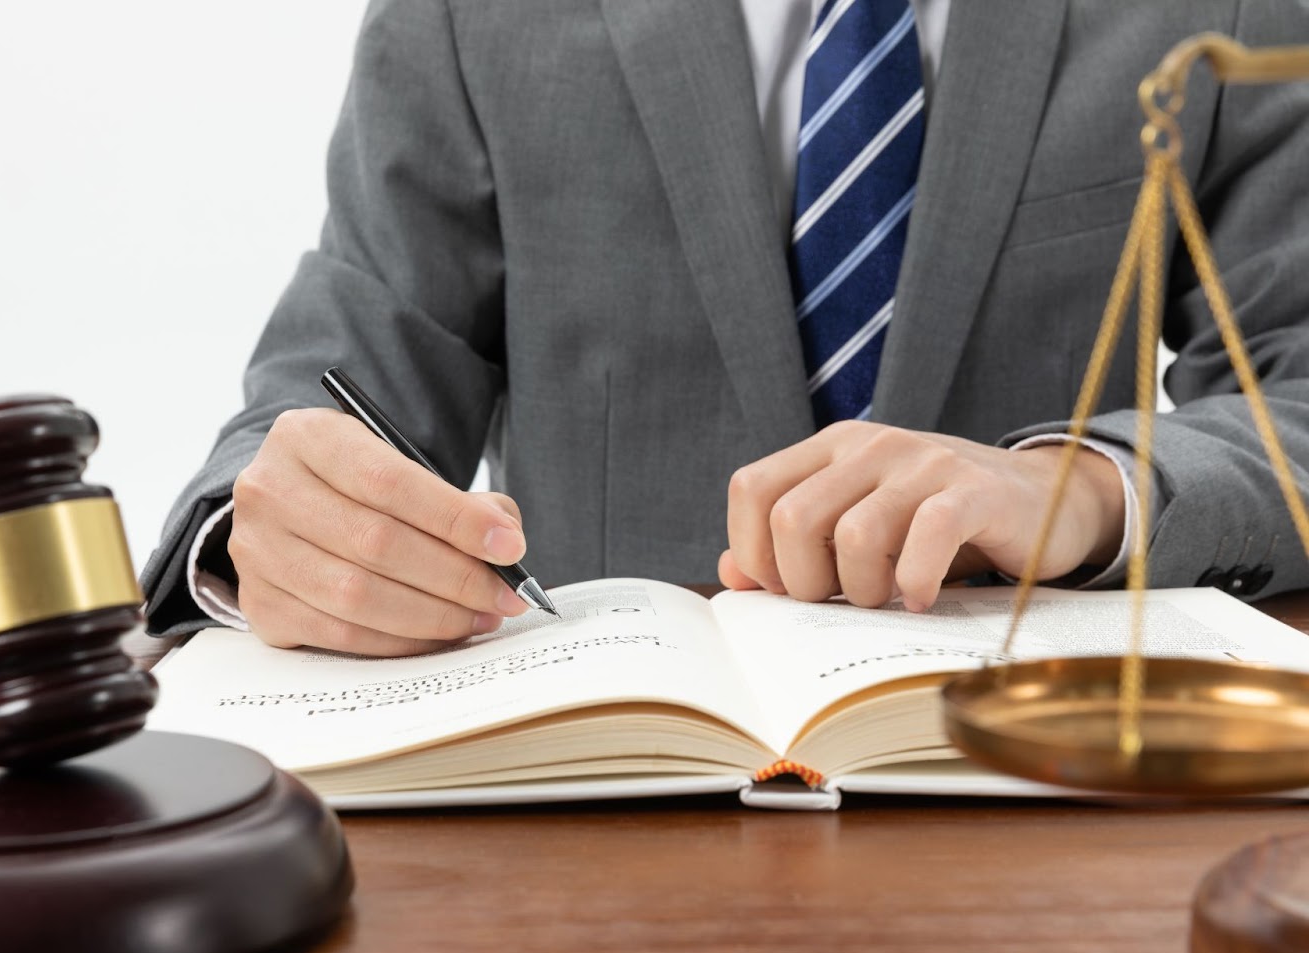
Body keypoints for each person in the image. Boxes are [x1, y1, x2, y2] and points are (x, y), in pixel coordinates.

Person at [141, 0, 1309, 657]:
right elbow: (332, 383)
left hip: (1040, 783)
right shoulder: (467, 20)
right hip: (589, 797)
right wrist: (266, 535)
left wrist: (1083, 488)